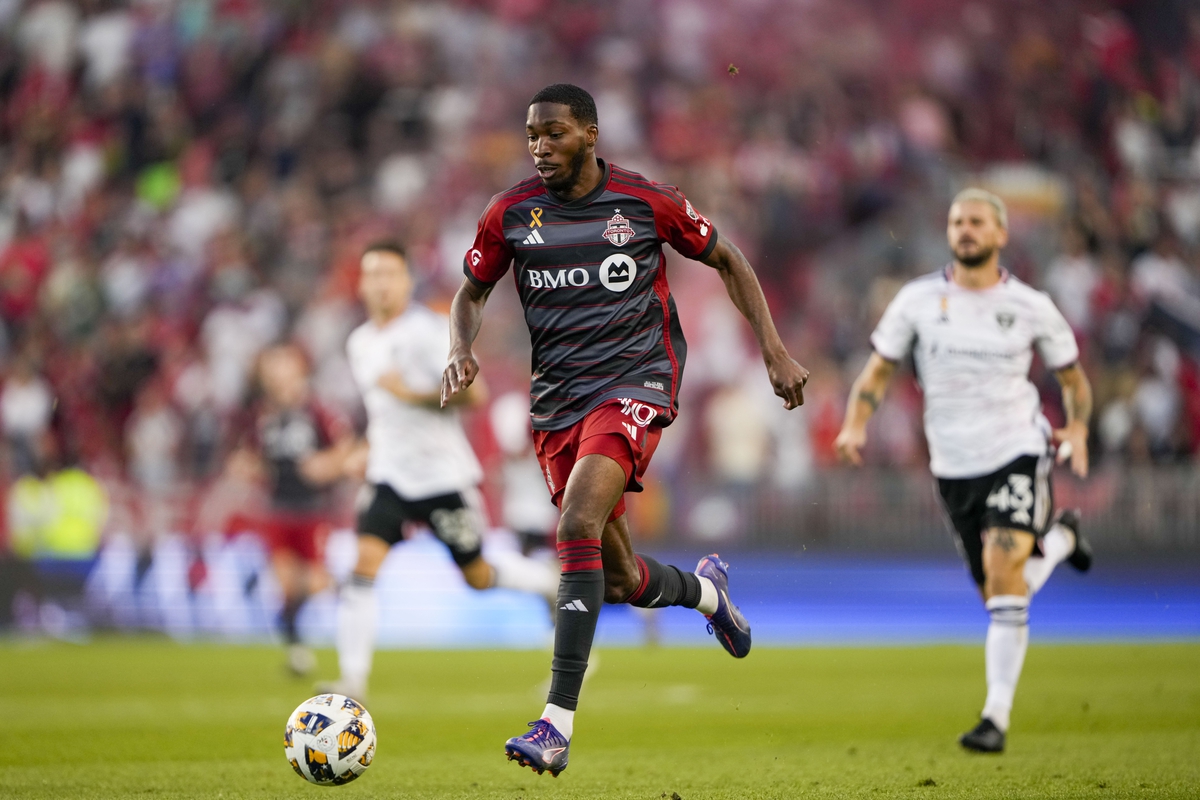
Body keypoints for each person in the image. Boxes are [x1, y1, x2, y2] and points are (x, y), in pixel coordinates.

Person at [441, 84, 809, 776]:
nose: (540, 147)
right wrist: (460, 347)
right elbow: (471, 291)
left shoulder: (646, 202)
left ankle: (554, 724)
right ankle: (708, 594)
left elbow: (727, 258)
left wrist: (773, 350)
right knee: (614, 578)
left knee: (576, 524)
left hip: (636, 382)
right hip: (557, 405)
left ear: (590, 133)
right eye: (532, 136)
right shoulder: (510, 214)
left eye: (554, 134)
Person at [834, 189, 1095, 754]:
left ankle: (994, 718)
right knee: (1003, 595)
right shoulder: (917, 300)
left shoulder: (1031, 305)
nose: (966, 229)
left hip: (1016, 450)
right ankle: (1063, 537)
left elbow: (1073, 381)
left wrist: (1076, 430)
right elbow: (877, 373)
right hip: (952, 467)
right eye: (957, 221)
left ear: (1001, 234)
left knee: (1005, 575)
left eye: (977, 221)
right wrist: (856, 424)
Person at [318, 241, 560, 701]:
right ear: (361, 284)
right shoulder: (360, 342)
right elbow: (382, 411)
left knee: (478, 576)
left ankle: (547, 582)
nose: (381, 283)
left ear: (407, 281)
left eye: (390, 274)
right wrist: (366, 449)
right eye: (372, 275)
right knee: (363, 566)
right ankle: (353, 681)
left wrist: (413, 394)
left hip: (441, 477)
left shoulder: (431, 331)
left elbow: (475, 394)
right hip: (389, 475)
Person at [228, 343, 353, 675]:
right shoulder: (261, 415)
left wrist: (326, 464)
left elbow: (346, 448)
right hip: (278, 508)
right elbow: (249, 455)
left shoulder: (317, 410)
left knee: (311, 582)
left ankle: (335, 586)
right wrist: (248, 467)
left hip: (314, 509)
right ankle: (297, 652)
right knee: (285, 584)